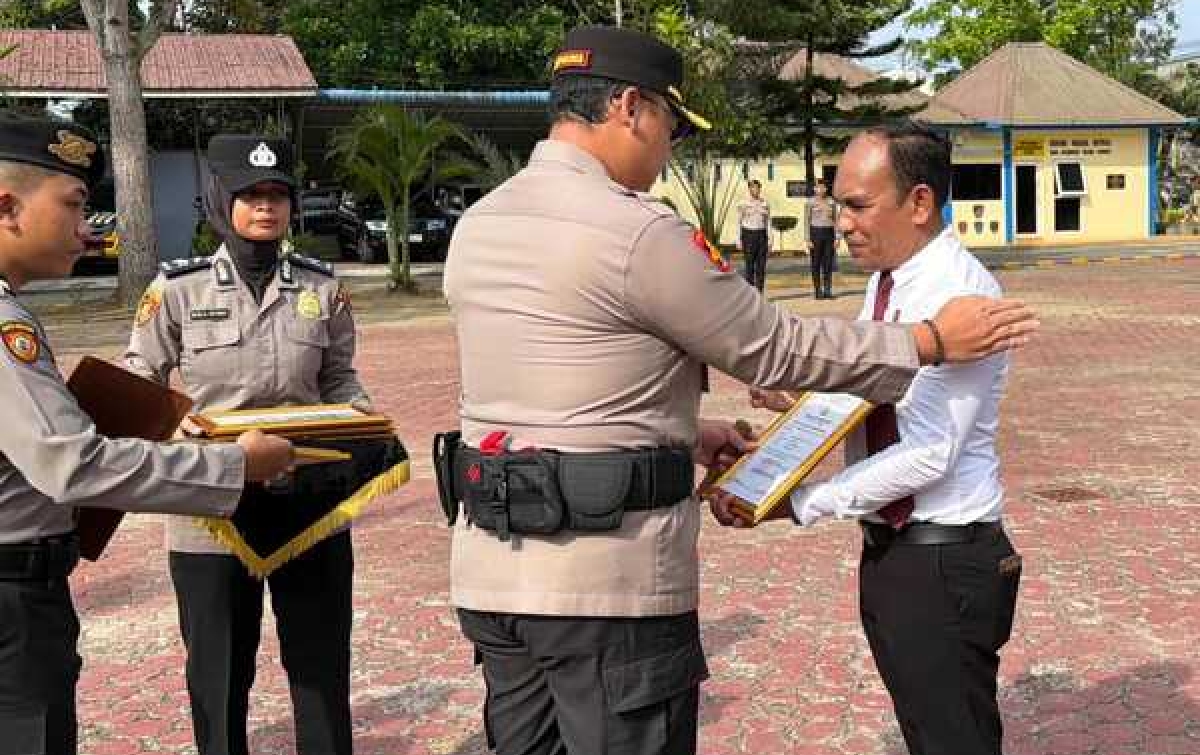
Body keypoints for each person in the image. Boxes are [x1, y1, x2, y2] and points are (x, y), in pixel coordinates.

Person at [439, 25, 1037, 755]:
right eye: (669, 126)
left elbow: (551, 390)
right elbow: (775, 346)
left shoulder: (479, 225)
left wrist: (687, 438)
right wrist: (929, 342)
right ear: (629, 106)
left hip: (495, 576)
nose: (669, 153)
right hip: (606, 584)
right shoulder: (636, 233)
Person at [716, 123, 1022, 755]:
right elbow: (874, 388)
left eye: (857, 205)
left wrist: (797, 499)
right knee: (927, 731)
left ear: (918, 202)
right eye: (839, 204)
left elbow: (930, 452)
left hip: (940, 557)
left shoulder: (960, 298)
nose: (843, 222)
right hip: (894, 553)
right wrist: (798, 414)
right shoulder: (890, 284)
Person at [0, 112, 294, 755]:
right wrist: (234, 467)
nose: (87, 228)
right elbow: (72, 464)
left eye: (278, 195)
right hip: (13, 603)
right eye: (75, 204)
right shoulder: (5, 327)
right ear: (7, 207)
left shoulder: (317, 288)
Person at [123, 134, 370, 755]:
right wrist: (170, 424)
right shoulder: (177, 289)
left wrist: (359, 422)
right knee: (218, 676)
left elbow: (340, 377)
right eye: (250, 195)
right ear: (218, 200)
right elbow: (137, 380)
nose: (266, 207)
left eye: (278, 194)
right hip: (211, 513)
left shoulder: (324, 287)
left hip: (308, 505)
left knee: (319, 669)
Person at [805, 179, 838, 299]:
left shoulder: (832, 202)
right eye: (818, 187)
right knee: (816, 264)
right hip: (815, 233)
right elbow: (806, 221)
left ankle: (828, 290)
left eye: (823, 187)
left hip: (829, 234)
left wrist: (837, 238)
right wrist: (807, 239)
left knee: (828, 263)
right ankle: (818, 290)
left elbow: (835, 220)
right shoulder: (810, 202)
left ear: (826, 189)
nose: (821, 189)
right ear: (815, 189)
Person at [736, 178, 771, 291]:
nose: (755, 190)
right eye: (752, 187)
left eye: (757, 188)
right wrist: (738, 239)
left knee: (761, 266)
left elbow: (767, 222)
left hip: (761, 235)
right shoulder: (743, 203)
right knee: (749, 266)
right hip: (748, 234)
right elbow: (738, 222)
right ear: (749, 189)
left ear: (760, 189)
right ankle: (750, 293)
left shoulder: (765, 203)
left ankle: (759, 292)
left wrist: (770, 239)